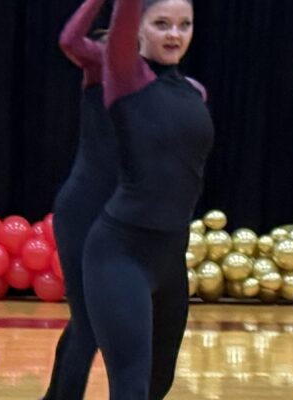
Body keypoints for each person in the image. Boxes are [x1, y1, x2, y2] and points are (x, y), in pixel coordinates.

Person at [81, 0, 212, 397]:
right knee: (131, 385)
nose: (174, 34)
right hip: (120, 253)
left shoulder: (195, 92)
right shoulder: (126, 76)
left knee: (159, 383)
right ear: (137, 28)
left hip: (171, 258)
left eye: (184, 25)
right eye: (162, 24)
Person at [42, 0, 115, 397]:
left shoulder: (159, 76)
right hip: (85, 207)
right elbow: (70, 40)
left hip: (123, 214)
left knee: (88, 322)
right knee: (89, 324)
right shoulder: (105, 59)